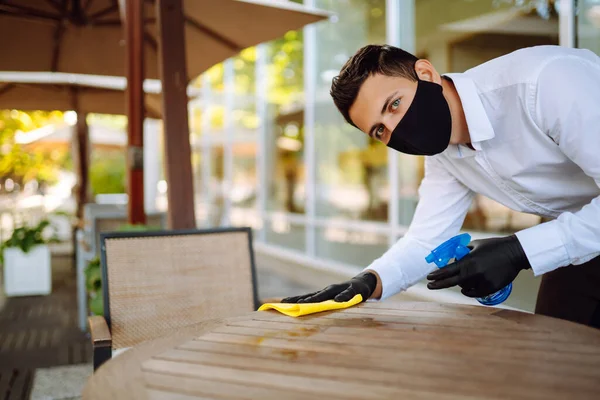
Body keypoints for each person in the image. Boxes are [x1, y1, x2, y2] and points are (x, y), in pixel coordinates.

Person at [281, 44, 600, 328]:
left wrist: (519, 251)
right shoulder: (444, 155)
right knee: (555, 358)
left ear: (426, 73)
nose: (396, 129)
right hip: (583, 237)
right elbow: (426, 241)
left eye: (394, 105)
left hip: (581, 230)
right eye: (380, 131)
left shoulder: (546, 82)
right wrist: (368, 282)